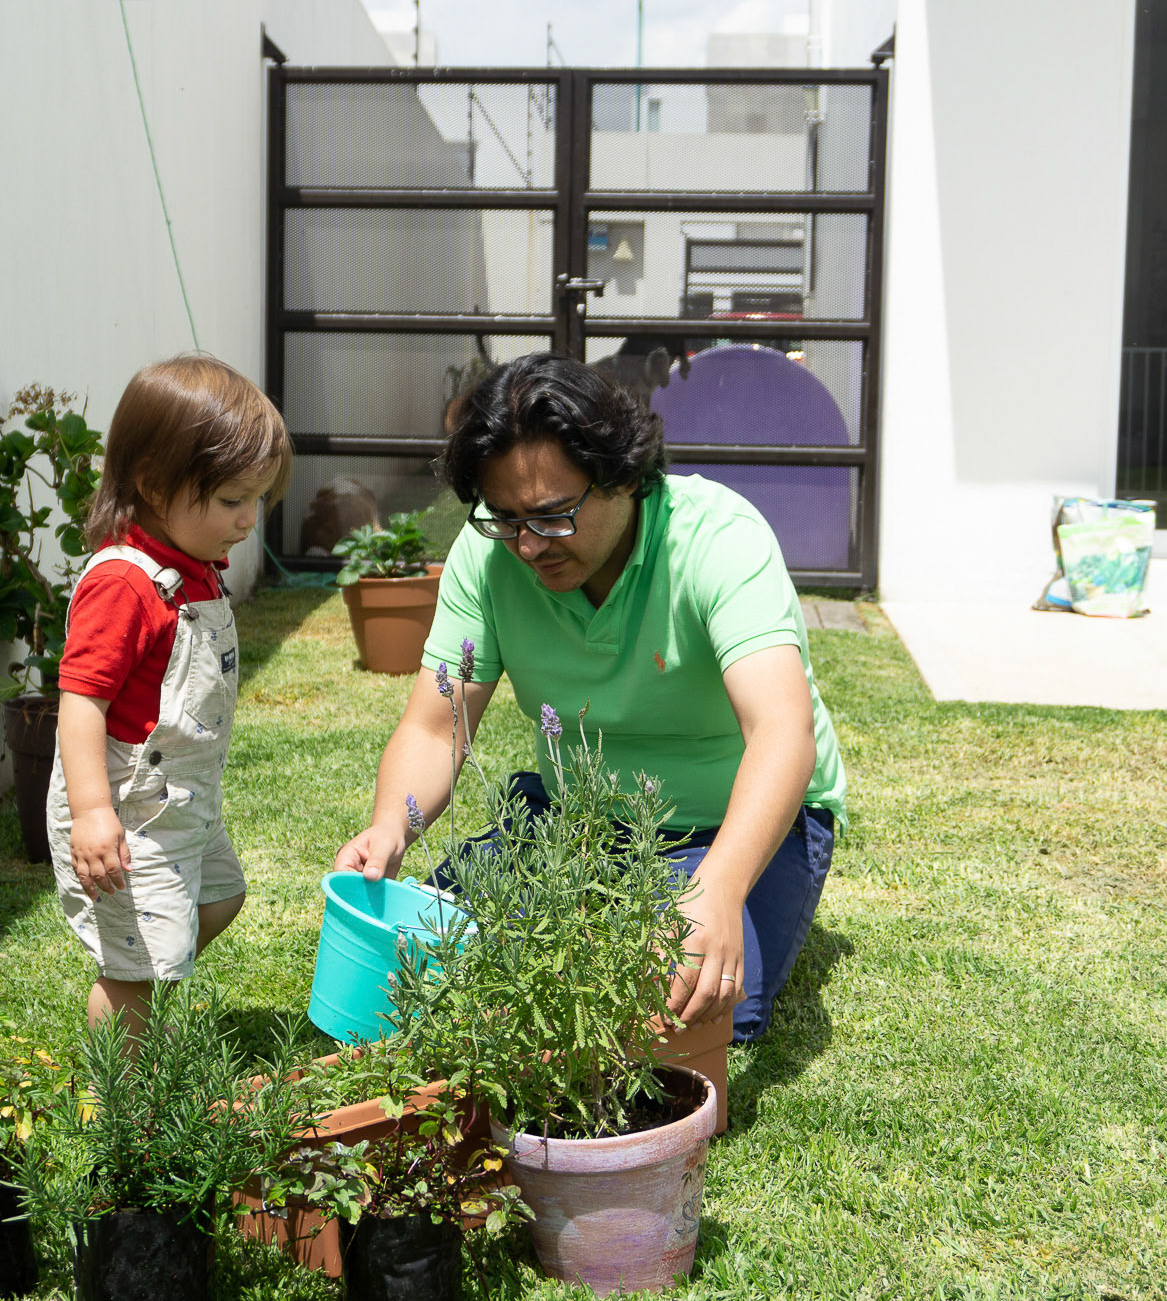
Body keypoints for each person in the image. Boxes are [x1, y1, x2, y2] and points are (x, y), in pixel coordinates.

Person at [334, 353, 844, 1039]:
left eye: (551, 516)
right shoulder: (486, 557)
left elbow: (781, 736)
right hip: (580, 815)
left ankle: (738, 899)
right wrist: (393, 824)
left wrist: (718, 888)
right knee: (428, 954)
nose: (525, 546)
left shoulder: (718, 539)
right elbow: (434, 728)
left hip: (731, 819)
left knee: (695, 1003)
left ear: (624, 477)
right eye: (504, 518)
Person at [47, 354, 291, 1039]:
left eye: (258, 499)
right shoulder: (124, 583)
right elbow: (81, 701)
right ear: (154, 484)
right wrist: (93, 814)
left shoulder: (195, 569)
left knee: (220, 896)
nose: (249, 521)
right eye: (230, 501)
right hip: (127, 810)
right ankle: (114, 1103)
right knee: (134, 969)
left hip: (183, 802)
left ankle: (145, 988)